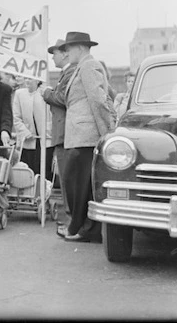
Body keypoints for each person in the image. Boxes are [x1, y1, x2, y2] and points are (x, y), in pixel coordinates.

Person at [58, 31, 116, 243]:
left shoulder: (89, 66)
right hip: (81, 136)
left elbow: (99, 99)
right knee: (80, 184)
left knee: (80, 184)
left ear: (80, 48)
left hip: (87, 136)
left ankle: (80, 229)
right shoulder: (83, 67)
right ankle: (84, 228)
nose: (66, 53)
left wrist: (105, 135)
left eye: (68, 49)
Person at [39, 39, 77, 229]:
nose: (53, 57)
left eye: (54, 53)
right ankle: (70, 219)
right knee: (65, 178)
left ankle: (71, 221)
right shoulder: (67, 72)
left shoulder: (70, 72)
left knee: (67, 178)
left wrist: (46, 93)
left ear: (64, 54)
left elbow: (62, 99)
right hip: (63, 133)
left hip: (65, 133)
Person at [12, 78, 54, 181]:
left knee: (44, 170)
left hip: (45, 139)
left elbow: (53, 115)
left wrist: (48, 131)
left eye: (30, 78)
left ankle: (44, 193)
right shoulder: (19, 94)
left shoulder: (46, 91)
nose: (27, 81)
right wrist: (24, 132)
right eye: (25, 78)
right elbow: (16, 117)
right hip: (28, 140)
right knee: (28, 170)